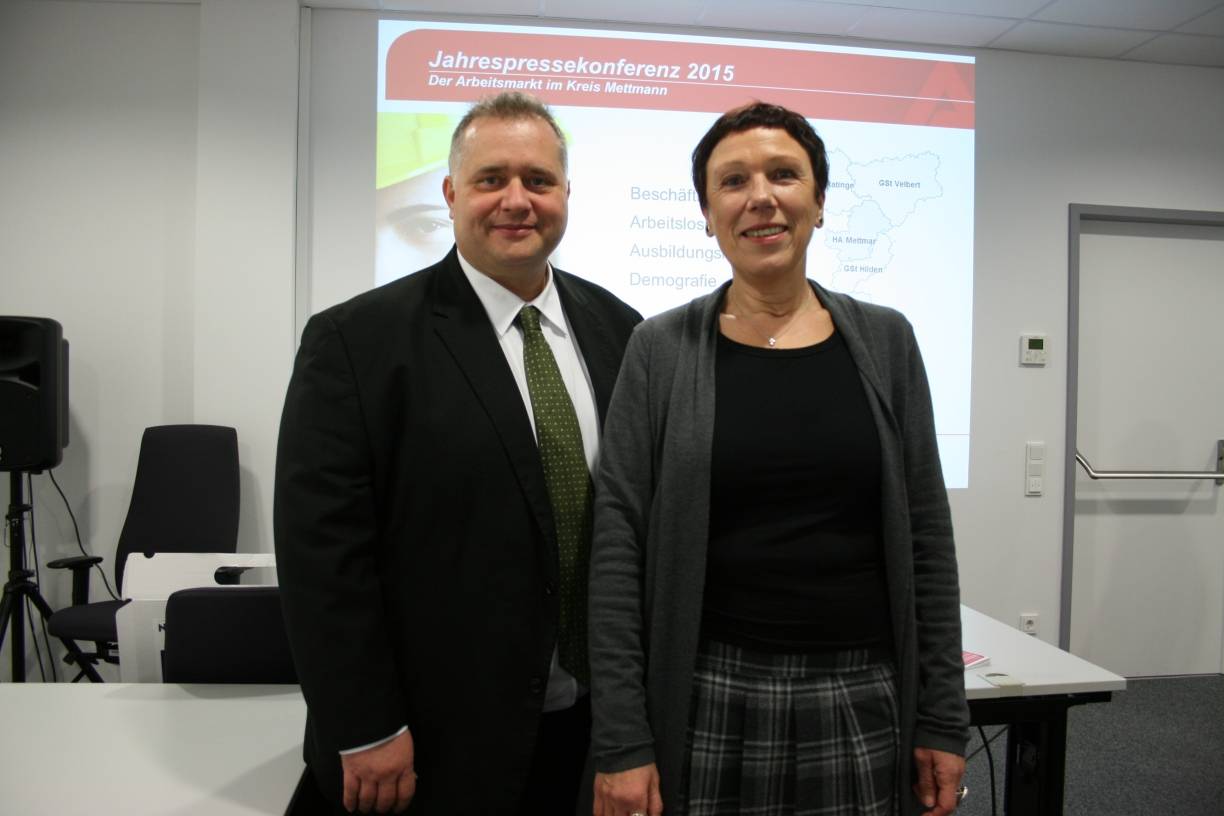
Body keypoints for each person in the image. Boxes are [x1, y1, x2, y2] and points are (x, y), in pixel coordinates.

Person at [587, 102, 969, 816]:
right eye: (733, 181)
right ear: (707, 215)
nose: (760, 196)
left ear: (818, 202)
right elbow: (617, 548)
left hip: (861, 693)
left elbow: (927, 539)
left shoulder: (887, 341)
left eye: (784, 175)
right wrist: (623, 737)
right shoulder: (659, 349)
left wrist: (943, 715)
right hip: (706, 696)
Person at [275, 91, 641, 814]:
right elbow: (323, 556)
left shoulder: (620, 329)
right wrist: (365, 725)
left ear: (567, 194)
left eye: (538, 180)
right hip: (429, 742)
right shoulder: (357, 342)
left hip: (585, 727)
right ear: (451, 194)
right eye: (490, 179)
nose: (517, 201)